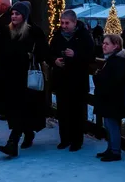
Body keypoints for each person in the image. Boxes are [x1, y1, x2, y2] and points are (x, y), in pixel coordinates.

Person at [0, 1, 49, 157]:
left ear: (24, 16)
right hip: (10, 78)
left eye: (17, 14)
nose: (14, 16)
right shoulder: (6, 32)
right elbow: (0, 51)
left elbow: (43, 52)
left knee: (22, 109)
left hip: (27, 79)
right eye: (12, 14)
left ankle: (13, 142)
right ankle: (27, 133)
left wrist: (32, 55)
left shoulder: (34, 32)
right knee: (14, 111)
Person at [48, 9, 95, 152]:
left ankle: (77, 140)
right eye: (62, 22)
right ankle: (64, 139)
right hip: (62, 79)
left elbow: (91, 56)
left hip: (78, 81)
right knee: (63, 111)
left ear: (74, 23)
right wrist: (55, 61)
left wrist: (76, 54)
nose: (64, 26)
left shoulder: (84, 36)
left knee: (77, 112)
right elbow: (50, 54)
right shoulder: (57, 36)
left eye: (67, 23)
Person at [94, 34, 125, 162]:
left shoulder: (118, 61)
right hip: (109, 98)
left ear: (115, 45)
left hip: (112, 99)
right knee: (108, 124)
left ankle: (115, 151)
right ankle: (110, 148)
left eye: (107, 44)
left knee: (112, 124)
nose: (103, 46)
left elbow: (114, 79)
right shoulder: (112, 59)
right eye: (103, 43)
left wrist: (98, 77)